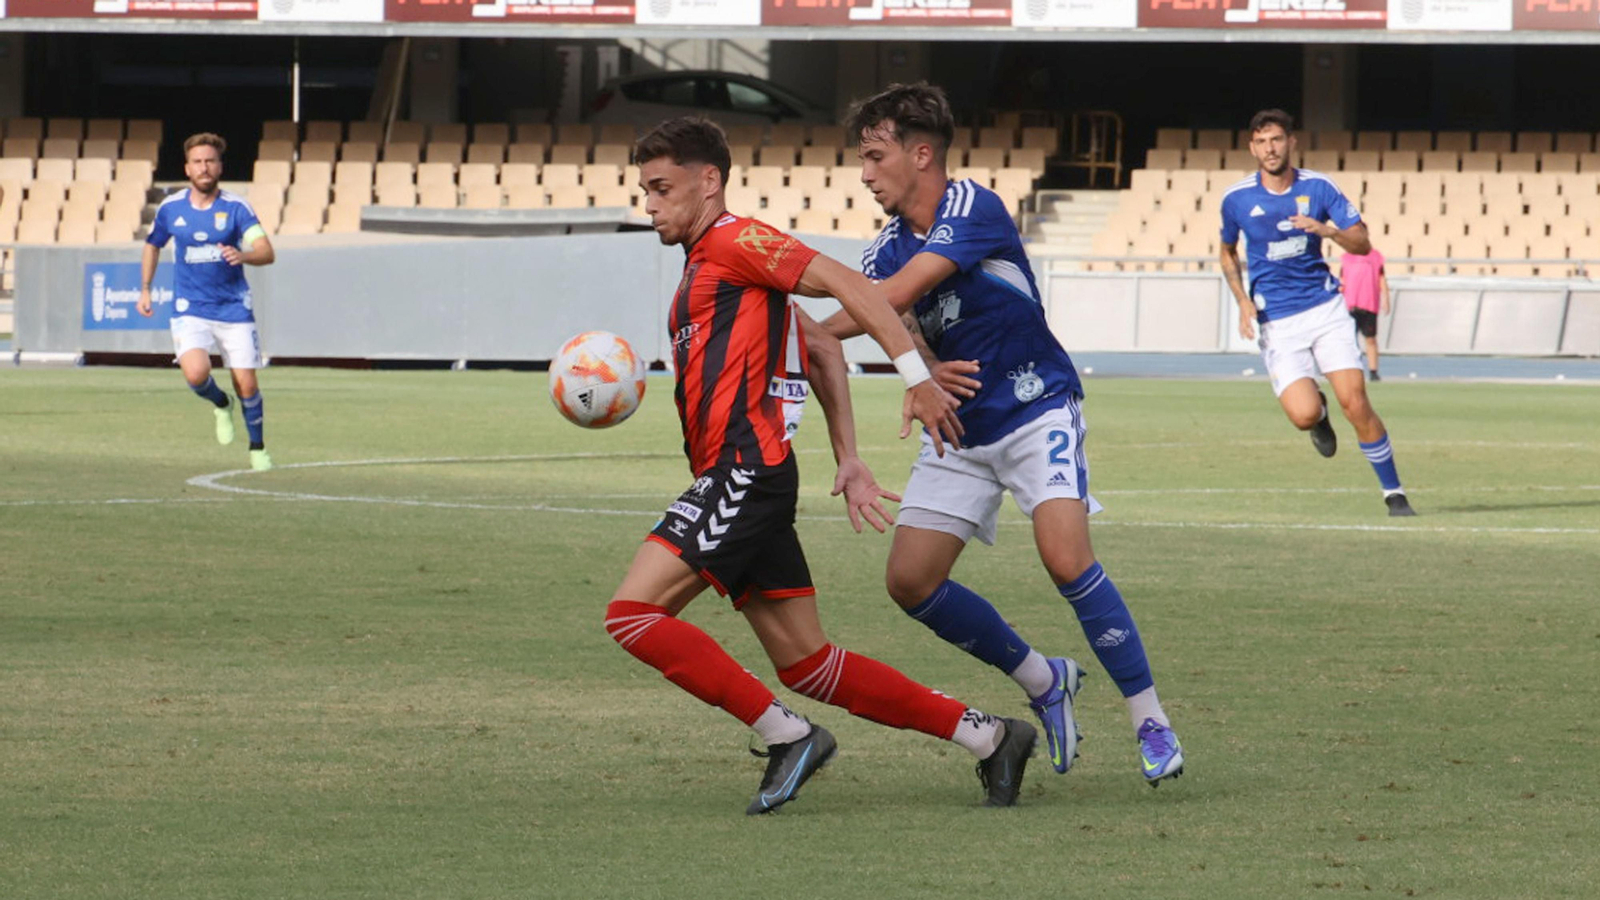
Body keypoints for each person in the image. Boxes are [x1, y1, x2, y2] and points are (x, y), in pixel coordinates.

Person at [604, 116, 1039, 816]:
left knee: (632, 615)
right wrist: (849, 458)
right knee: (808, 663)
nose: (649, 204)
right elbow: (820, 346)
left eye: (661, 188)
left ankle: (789, 736)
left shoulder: (737, 240)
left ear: (708, 181)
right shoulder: (706, 266)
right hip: (747, 477)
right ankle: (990, 737)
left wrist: (914, 374)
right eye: (644, 191)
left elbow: (850, 288)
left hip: (743, 473)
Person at [820, 82, 1185, 787]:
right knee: (909, 581)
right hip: (960, 426)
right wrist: (921, 366)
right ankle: (1045, 679)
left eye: (874, 157)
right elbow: (893, 324)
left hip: (1034, 407)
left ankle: (1149, 718)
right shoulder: (883, 250)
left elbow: (891, 301)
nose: (864, 175)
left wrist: (804, 301)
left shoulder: (973, 207)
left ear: (920, 154)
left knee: (1065, 558)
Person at [1218, 109, 1415, 517]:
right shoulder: (1236, 199)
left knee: (1355, 402)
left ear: (1291, 142)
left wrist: (1327, 230)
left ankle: (1394, 493)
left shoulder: (1319, 188)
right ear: (1252, 148)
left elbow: (1362, 244)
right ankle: (1319, 415)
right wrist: (1241, 300)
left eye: (1276, 139)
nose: (1270, 148)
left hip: (1325, 308)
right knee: (1303, 415)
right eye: (1261, 142)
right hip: (1278, 321)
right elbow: (1227, 251)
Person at [137, 132, 276, 471]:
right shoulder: (171, 208)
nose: (204, 167)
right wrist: (145, 288)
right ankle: (221, 403)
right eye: (197, 162)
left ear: (220, 167)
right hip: (190, 308)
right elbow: (153, 245)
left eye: (210, 161)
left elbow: (266, 251)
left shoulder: (236, 208)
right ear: (187, 168)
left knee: (247, 383)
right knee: (197, 374)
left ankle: (257, 447)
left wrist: (243, 255)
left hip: (233, 307)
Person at [1340, 246, 1390, 381]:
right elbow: (1342, 280)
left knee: (1370, 339)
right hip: (1350, 304)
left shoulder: (1375, 257)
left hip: (1369, 303)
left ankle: (1373, 371)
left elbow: (1381, 278)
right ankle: (1350, 370)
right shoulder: (1347, 258)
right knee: (1349, 341)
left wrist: (1386, 299)